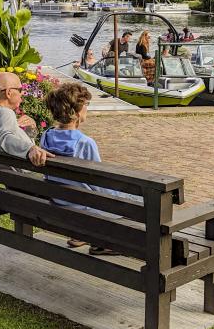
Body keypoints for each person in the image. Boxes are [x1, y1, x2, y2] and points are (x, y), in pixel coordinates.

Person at [39, 82, 139, 253]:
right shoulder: (85, 142)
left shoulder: (46, 136)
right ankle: (104, 242)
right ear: (76, 112)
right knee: (137, 199)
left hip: (60, 201)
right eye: (86, 104)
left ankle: (82, 235)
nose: (87, 108)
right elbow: (99, 184)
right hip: (84, 207)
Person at [0, 71, 51, 166]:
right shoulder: (5, 112)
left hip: (4, 172)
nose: (22, 93)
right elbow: (5, 138)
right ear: (8, 93)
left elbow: (8, 135)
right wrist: (31, 148)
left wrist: (30, 130)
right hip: (21, 172)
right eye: (20, 90)